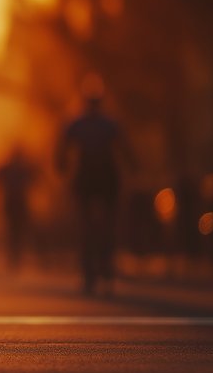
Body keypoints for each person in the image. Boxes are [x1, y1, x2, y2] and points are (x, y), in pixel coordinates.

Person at [55, 84, 133, 295]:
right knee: (100, 226)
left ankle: (95, 272)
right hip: (100, 177)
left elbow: (62, 149)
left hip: (91, 176)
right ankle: (100, 271)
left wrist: (61, 167)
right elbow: (126, 148)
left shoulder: (79, 123)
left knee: (91, 227)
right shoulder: (107, 124)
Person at [0, 145, 37, 271]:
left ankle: (16, 257)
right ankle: (14, 257)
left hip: (17, 202)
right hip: (13, 202)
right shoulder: (15, 169)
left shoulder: (21, 169)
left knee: (16, 230)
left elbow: (35, 181)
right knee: (13, 230)